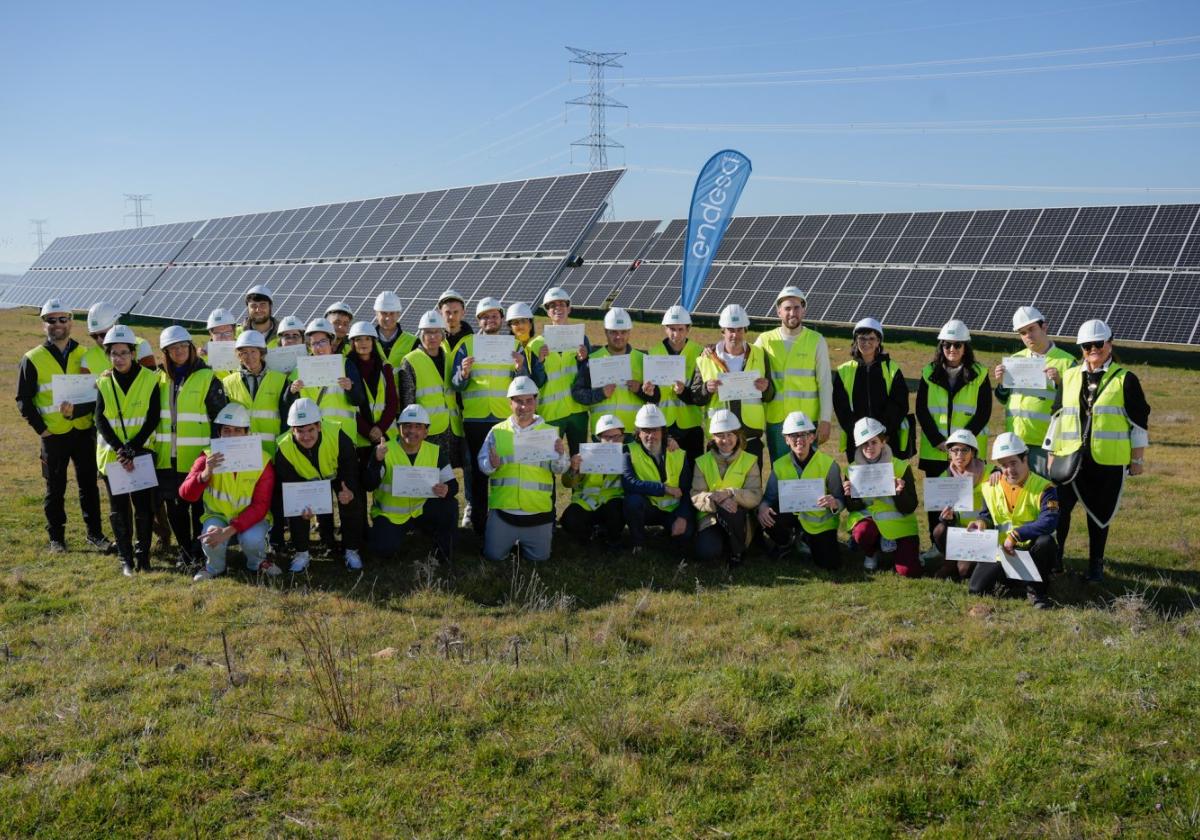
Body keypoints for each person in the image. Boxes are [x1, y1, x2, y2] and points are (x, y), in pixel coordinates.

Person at [1049, 319, 1149, 582]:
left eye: (1098, 344)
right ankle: (1056, 557)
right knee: (1060, 510)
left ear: (1109, 344)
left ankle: (1096, 565)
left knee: (1100, 514)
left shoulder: (1126, 379)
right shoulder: (1069, 376)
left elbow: (1138, 423)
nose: (1093, 350)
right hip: (1069, 457)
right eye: (1086, 346)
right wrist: (1051, 454)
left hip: (1105, 460)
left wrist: (1137, 459)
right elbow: (1057, 417)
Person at [16, 300, 112, 553]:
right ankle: (56, 539)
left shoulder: (86, 355)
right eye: (51, 320)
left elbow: (97, 394)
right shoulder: (32, 358)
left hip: (82, 432)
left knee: (89, 486)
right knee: (54, 489)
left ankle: (95, 535)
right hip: (53, 435)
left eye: (62, 319)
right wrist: (42, 429)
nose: (57, 324)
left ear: (71, 322)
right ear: (43, 324)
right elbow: (23, 400)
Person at [451, 297, 531, 536]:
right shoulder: (466, 344)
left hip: (504, 421)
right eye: (485, 316)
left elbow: (524, 384)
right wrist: (463, 373)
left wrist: (521, 369)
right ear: (478, 321)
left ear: (501, 319)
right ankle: (479, 524)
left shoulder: (515, 345)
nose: (490, 320)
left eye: (494, 315)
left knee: (502, 469)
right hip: (475, 420)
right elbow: (455, 385)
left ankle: (504, 520)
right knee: (477, 472)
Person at [915, 319, 992, 563]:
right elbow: (922, 411)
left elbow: (983, 412)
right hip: (935, 450)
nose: (952, 350)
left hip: (966, 454)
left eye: (958, 345)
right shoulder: (928, 372)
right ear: (941, 346)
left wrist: (962, 445)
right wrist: (939, 441)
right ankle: (937, 545)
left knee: (965, 500)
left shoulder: (980, 374)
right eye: (947, 345)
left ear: (965, 347)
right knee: (937, 501)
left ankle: (963, 547)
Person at [181, 403, 281, 581]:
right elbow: (186, 494)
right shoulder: (207, 457)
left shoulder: (263, 460)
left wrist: (228, 531)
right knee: (210, 535)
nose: (232, 436)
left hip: (252, 519)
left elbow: (260, 506)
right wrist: (205, 474)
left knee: (252, 540)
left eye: (237, 430)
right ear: (219, 433)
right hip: (217, 516)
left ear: (246, 433)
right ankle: (214, 567)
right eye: (226, 430)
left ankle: (257, 562)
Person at [155, 325, 227, 568]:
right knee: (174, 507)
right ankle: (185, 550)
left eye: (183, 346)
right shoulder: (158, 378)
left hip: (197, 458)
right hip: (167, 457)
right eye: (173, 348)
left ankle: (197, 550)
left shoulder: (208, 377)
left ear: (191, 347)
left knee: (198, 508)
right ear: (166, 352)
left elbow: (219, 419)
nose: (179, 351)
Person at [478, 377, 569, 563]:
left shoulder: (548, 432)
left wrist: (560, 455)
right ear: (510, 403)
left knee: (540, 559)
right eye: (519, 401)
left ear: (536, 402)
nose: (524, 407)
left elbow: (560, 469)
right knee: (493, 557)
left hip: (537, 512)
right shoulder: (497, 431)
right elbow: (483, 465)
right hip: (504, 511)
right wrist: (491, 465)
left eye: (528, 401)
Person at [964, 433, 1058, 609]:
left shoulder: (1045, 488)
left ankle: (1036, 590)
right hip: (1002, 552)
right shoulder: (991, 487)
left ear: (1025, 458)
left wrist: (1016, 535)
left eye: (1013, 463)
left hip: (1032, 549)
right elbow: (987, 515)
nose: (1009, 470)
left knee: (1046, 542)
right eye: (1004, 465)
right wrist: (981, 523)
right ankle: (1016, 581)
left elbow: (1049, 521)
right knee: (977, 590)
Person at [94, 325, 160, 575]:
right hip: (113, 457)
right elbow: (100, 420)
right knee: (119, 508)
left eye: (124, 352)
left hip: (140, 453)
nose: (119, 358)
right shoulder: (103, 382)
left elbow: (152, 417)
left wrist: (132, 447)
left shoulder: (150, 378)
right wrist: (121, 449)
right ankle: (126, 559)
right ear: (108, 355)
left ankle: (143, 556)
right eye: (114, 353)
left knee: (143, 507)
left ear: (133, 353)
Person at [274, 398, 366, 572]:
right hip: (303, 482)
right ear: (292, 430)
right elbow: (289, 485)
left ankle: (351, 550)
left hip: (338, 475)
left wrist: (350, 491)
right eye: (300, 431)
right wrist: (301, 504)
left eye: (310, 430)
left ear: (319, 425)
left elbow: (350, 467)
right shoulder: (283, 448)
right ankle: (302, 553)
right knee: (299, 511)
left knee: (351, 501)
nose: (306, 436)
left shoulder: (337, 434)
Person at [363, 404, 457, 563]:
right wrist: (376, 461)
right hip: (390, 515)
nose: (412, 431)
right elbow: (369, 485)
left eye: (418, 426)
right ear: (399, 428)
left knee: (450, 505)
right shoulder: (384, 450)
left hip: (420, 509)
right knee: (383, 550)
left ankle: (443, 551)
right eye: (407, 426)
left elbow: (454, 485)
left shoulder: (436, 451)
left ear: (426, 431)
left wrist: (447, 489)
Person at [222, 329, 289, 552]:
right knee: (248, 495)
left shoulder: (280, 380)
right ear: (238, 356)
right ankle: (246, 534)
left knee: (276, 497)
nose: (249, 357)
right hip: (242, 452)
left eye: (253, 352)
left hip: (272, 450)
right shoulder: (228, 382)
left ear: (262, 353)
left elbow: (285, 418)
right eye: (243, 353)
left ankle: (277, 538)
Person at [991, 305, 1076, 476]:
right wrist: (1001, 384)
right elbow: (1004, 399)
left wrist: (1059, 383)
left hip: (1046, 444)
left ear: (1044, 327)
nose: (1028, 336)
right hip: (1016, 442)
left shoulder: (1067, 362)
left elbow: (1076, 403)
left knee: (1044, 494)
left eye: (1031, 329)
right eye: (1022, 332)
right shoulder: (1015, 360)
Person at [754, 285, 833, 463]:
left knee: (808, 473)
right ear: (778, 312)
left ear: (803, 310)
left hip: (807, 422)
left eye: (797, 308)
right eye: (787, 308)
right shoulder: (765, 340)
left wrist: (826, 420)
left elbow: (825, 383)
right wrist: (714, 350)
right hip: (777, 421)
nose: (792, 313)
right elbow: (743, 359)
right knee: (781, 472)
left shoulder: (816, 340)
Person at [757, 411, 844, 569]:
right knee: (767, 516)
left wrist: (834, 502)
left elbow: (841, 499)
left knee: (830, 564)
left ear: (812, 437)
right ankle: (786, 541)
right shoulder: (779, 466)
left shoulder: (829, 465)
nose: (799, 440)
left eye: (804, 434)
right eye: (793, 435)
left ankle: (807, 538)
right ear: (786, 440)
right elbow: (768, 498)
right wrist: (762, 507)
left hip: (819, 523)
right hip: (791, 516)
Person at [687, 304, 773, 462]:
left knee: (751, 485)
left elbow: (770, 394)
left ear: (746, 330)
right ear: (723, 331)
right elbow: (695, 397)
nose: (735, 335)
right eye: (731, 330)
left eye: (739, 329)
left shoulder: (759, 354)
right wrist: (707, 388)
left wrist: (766, 388)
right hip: (719, 437)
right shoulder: (706, 357)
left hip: (750, 436)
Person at [843, 417, 920, 575]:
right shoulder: (852, 469)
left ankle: (899, 546)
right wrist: (852, 496)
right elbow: (852, 508)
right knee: (862, 533)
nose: (869, 447)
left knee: (908, 571)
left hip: (899, 522)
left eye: (874, 442)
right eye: (864, 443)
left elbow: (911, 506)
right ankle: (870, 553)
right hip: (869, 521)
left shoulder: (900, 466)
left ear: (883, 441)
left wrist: (900, 493)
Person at [832, 318, 910, 463]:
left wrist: (882, 432)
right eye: (862, 338)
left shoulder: (892, 368)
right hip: (856, 440)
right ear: (855, 340)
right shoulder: (844, 371)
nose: (866, 343)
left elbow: (899, 403)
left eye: (871, 338)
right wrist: (858, 433)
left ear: (879, 341)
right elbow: (841, 408)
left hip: (886, 438)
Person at [691, 409, 763, 566]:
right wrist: (716, 500)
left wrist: (730, 493)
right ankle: (725, 543)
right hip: (710, 517)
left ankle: (737, 552)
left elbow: (756, 495)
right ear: (713, 438)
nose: (726, 440)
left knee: (732, 508)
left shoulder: (750, 460)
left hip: (738, 517)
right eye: (720, 436)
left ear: (737, 436)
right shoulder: (702, 462)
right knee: (706, 552)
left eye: (730, 434)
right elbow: (696, 495)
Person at [622, 404, 695, 555]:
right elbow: (629, 483)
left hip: (673, 510)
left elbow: (688, 489)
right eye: (646, 431)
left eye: (655, 430)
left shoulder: (678, 453)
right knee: (632, 501)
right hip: (648, 508)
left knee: (686, 537)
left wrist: (682, 517)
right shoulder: (628, 451)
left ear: (663, 432)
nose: (651, 436)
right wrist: (664, 489)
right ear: (638, 433)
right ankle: (638, 542)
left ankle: (672, 531)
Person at [528, 287, 592, 455]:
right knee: (548, 459)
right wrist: (540, 362)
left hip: (577, 410)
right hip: (551, 412)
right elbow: (536, 382)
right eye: (552, 306)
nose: (557, 308)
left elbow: (590, 376)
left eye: (562, 304)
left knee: (579, 460)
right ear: (547, 312)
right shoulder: (535, 344)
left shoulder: (582, 338)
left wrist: (584, 360)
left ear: (569, 308)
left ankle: (576, 483)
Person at [398, 311, 463, 472]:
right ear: (421, 335)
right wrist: (414, 430)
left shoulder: (449, 358)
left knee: (448, 476)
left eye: (436, 332)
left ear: (442, 335)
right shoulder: (410, 360)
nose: (432, 337)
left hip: (451, 428)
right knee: (429, 474)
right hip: (427, 431)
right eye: (427, 332)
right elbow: (408, 401)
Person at [283, 317, 364, 445]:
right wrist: (291, 391)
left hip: (342, 437)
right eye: (314, 343)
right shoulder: (299, 369)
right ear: (309, 346)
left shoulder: (346, 365)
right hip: (309, 438)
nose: (319, 347)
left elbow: (359, 400)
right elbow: (286, 404)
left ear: (331, 343)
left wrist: (351, 388)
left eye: (323, 342)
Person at [572, 307, 649, 437]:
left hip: (633, 431)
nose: (618, 336)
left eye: (623, 332)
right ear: (606, 332)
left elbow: (656, 396)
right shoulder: (593, 360)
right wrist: (600, 393)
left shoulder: (643, 359)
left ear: (629, 332)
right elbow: (578, 393)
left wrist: (640, 390)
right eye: (613, 332)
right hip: (603, 432)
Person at [643, 305, 704, 458]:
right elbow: (653, 395)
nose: (676, 333)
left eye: (680, 329)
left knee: (692, 470)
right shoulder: (654, 352)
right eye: (671, 328)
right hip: (664, 423)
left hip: (691, 424)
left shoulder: (699, 352)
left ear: (688, 329)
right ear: (665, 328)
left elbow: (701, 394)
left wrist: (683, 391)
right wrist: (650, 393)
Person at [928, 430, 990, 579]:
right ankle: (950, 562)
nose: (959, 455)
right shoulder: (945, 476)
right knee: (939, 530)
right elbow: (942, 514)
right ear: (949, 453)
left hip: (982, 531)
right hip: (959, 531)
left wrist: (998, 472)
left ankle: (960, 563)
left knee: (965, 571)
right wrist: (946, 518)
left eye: (964, 450)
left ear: (973, 452)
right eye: (954, 450)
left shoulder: (990, 472)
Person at [560, 413, 626, 550]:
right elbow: (567, 484)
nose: (612, 441)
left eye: (617, 437)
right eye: (607, 437)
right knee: (569, 520)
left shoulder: (629, 454)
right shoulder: (585, 455)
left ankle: (612, 538)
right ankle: (588, 535)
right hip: (587, 503)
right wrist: (573, 469)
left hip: (613, 502)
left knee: (616, 514)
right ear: (598, 438)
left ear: (623, 437)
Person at [347, 321, 399, 450]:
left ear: (373, 342)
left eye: (367, 339)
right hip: (360, 439)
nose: (363, 343)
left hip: (386, 435)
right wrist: (368, 431)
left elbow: (392, 402)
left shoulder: (385, 367)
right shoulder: (346, 367)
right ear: (353, 343)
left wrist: (380, 428)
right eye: (358, 339)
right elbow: (347, 405)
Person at [81, 302, 155, 374]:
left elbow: (151, 381)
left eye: (103, 335)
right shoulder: (87, 359)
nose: (99, 340)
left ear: (116, 326)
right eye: (94, 336)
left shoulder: (141, 346)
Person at [372, 290, 417, 373]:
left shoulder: (414, 342)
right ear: (376, 314)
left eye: (392, 313)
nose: (387, 318)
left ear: (398, 314)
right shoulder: (366, 341)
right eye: (384, 313)